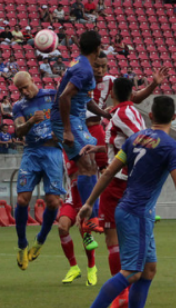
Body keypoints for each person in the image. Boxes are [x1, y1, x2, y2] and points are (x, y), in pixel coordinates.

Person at [77, 96, 176, 308]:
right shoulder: (170, 146)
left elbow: (108, 173)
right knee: (132, 272)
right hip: (137, 213)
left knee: (148, 270)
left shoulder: (135, 139)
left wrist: (88, 203)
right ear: (174, 117)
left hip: (129, 210)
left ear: (150, 116)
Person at [79, 77, 154, 303]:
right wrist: (101, 147)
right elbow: (125, 144)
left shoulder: (121, 114)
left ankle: (121, 296)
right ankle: (127, 295)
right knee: (127, 241)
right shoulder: (133, 112)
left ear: (113, 93)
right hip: (129, 183)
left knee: (113, 241)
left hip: (117, 182)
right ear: (131, 93)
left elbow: (137, 143)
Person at [50, 31, 109, 251]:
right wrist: (66, 129)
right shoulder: (84, 69)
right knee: (86, 165)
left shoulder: (80, 63)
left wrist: (104, 113)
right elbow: (65, 96)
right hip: (67, 120)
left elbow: (84, 99)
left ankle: (92, 215)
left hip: (76, 119)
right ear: (98, 48)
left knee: (91, 164)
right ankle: (88, 218)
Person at [11, 71, 66, 270]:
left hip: (52, 152)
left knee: (53, 201)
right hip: (32, 153)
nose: (24, 92)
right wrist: (31, 122)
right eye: (20, 90)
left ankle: (40, 240)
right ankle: (21, 244)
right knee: (22, 199)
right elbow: (18, 131)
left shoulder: (52, 96)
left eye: (26, 87)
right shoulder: (19, 106)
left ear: (33, 81)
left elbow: (68, 113)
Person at [57, 156, 97, 285]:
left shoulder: (84, 146)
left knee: (84, 230)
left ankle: (92, 268)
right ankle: (74, 267)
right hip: (71, 199)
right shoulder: (63, 151)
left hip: (86, 198)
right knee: (62, 227)